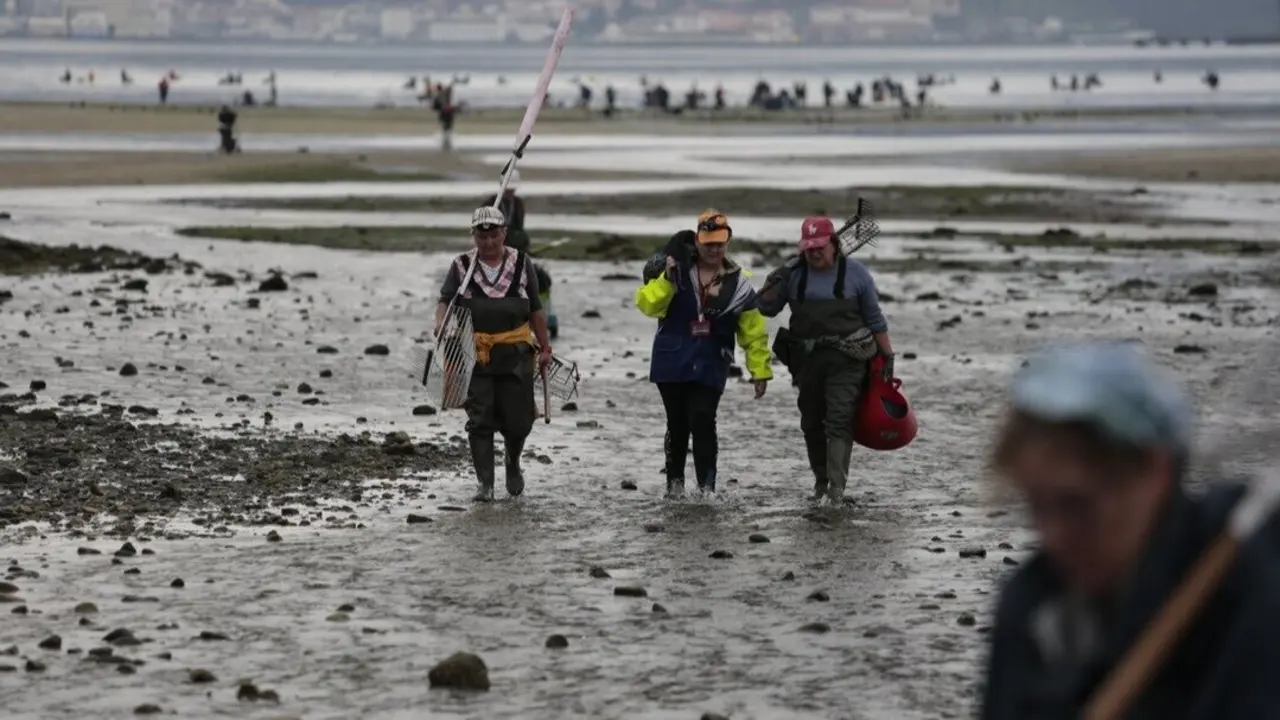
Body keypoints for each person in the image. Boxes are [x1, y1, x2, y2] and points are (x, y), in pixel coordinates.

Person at [981, 341, 1280, 719]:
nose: (1053, 537)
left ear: (1156, 471)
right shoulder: (1032, 605)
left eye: (1077, 506)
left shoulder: (1248, 587)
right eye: (1037, 506)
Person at [635, 210, 772, 498]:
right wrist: (667, 281)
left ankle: (707, 490)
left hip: (711, 363)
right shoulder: (675, 271)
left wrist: (759, 370)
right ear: (697, 240)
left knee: (703, 418)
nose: (714, 249)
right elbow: (648, 306)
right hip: (671, 361)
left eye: (720, 243)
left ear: (728, 241)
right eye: (708, 243)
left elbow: (753, 332)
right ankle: (674, 487)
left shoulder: (740, 283)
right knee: (677, 423)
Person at [758, 216, 894, 505]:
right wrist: (775, 278)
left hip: (849, 358)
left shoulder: (857, 274)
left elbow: (874, 318)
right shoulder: (793, 275)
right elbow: (767, 308)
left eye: (820, 246)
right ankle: (820, 481)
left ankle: (836, 489)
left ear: (833, 244)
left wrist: (888, 356)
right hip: (806, 360)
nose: (814, 252)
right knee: (811, 422)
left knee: (839, 420)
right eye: (809, 247)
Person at [435, 206, 553, 502]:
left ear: (504, 234)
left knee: (519, 421)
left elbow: (536, 308)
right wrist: (440, 326)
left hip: (516, 354)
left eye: (493, 236)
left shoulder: (523, 263)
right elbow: (445, 301)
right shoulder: (462, 266)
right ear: (473, 236)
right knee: (479, 419)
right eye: (481, 236)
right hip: (475, 354)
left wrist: (545, 348)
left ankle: (512, 461)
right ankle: (485, 484)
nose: (488, 243)